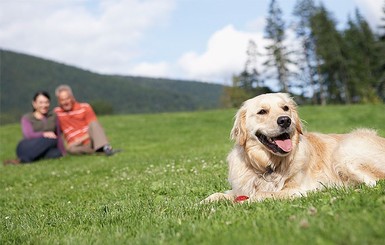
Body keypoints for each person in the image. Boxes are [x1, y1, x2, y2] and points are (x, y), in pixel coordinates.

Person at [54, 84, 118, 156]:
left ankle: (104, 147)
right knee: (70, 149)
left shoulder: (84, 107)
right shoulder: (56, 113)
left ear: (72, 98)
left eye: (67, 98)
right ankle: (100, 149)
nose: (66, 102)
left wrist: (80, 140)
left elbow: (95, 127)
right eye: (62, 100)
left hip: (90, 139)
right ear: (58, 101)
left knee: (94, 124)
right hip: (75, 146)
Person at [4, 91, 65, 165]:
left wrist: (63, 152)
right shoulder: (27, 118)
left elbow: (58, 134)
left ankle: (28, 159)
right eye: (41, 103)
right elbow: (28, 135)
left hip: (48, 145)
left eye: (46, 102)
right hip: (29, 146)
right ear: (34, 104)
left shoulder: (53, 116)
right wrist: (44, 134)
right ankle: (23, 159)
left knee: (56, 153)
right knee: (51, 139)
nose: (44, 105)